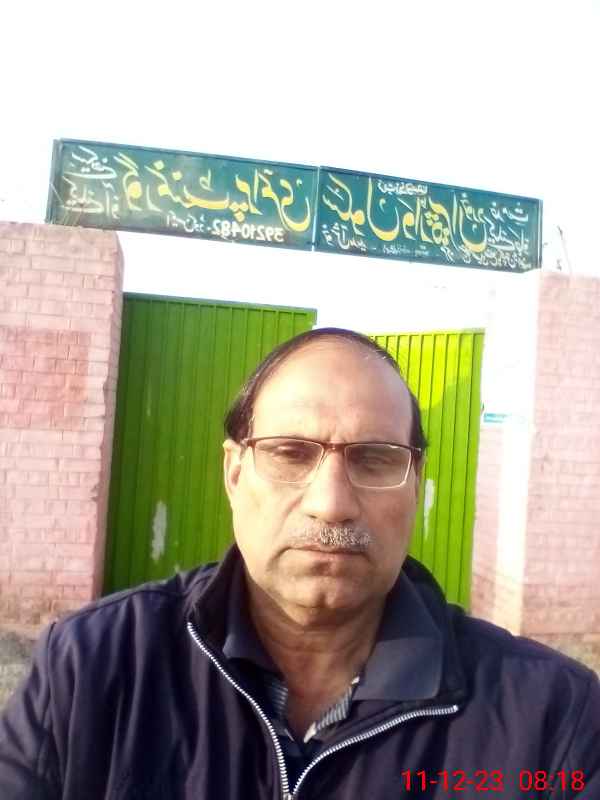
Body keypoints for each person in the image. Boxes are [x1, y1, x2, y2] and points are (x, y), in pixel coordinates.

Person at [1, 327, 599, 799]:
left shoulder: (551, 719)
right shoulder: (91, 668)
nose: (331, 503)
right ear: (234, 473)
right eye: (290, 453)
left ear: (415, 483)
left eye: (374, 458)